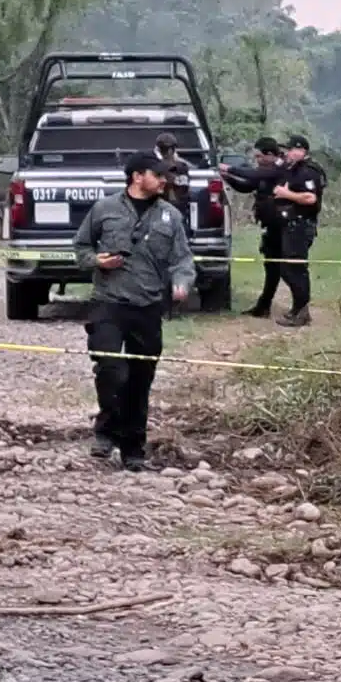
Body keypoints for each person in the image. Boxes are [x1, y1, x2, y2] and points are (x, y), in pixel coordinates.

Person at [72, 152, 195, 472]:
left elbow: (183, 260)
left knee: (141, 380)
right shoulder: (105, 209)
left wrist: (182, 283)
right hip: (109, 302)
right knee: (111, 370)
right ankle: (106, 430)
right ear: (138, 177)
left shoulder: (170, 216)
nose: (165, 180)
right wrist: (97, 261)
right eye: (158, 175)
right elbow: (81, 247)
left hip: (148, 306)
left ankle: (133, 448)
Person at [220, 137, 285, 318]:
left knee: (289, 269)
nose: (257, 161)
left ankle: (299, 309)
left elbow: (253, 176)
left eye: (259, 156)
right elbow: (247, 185)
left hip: (284, 227)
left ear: (270, 155)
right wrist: (228, 178)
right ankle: (263, 305)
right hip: (271, 226)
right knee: (272, 266)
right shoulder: (266, 172)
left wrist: (229, 169)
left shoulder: (279, 168)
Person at [271, 135, 326, 328]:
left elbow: (310, 198)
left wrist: (286, 194)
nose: (287, 153)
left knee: (294, 269)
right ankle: (299, 309)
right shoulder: (294, 170)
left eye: (291, 149)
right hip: (292, 225)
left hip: (301, 226)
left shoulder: (308, 172)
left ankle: (301, 311)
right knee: (288, 268)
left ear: (302, 150)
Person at [154, 132, 191, 209]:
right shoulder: (182, 167)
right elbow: (184, 190)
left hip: (158, 209)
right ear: (171, 150)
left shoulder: (154, 166)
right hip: (178, 209)